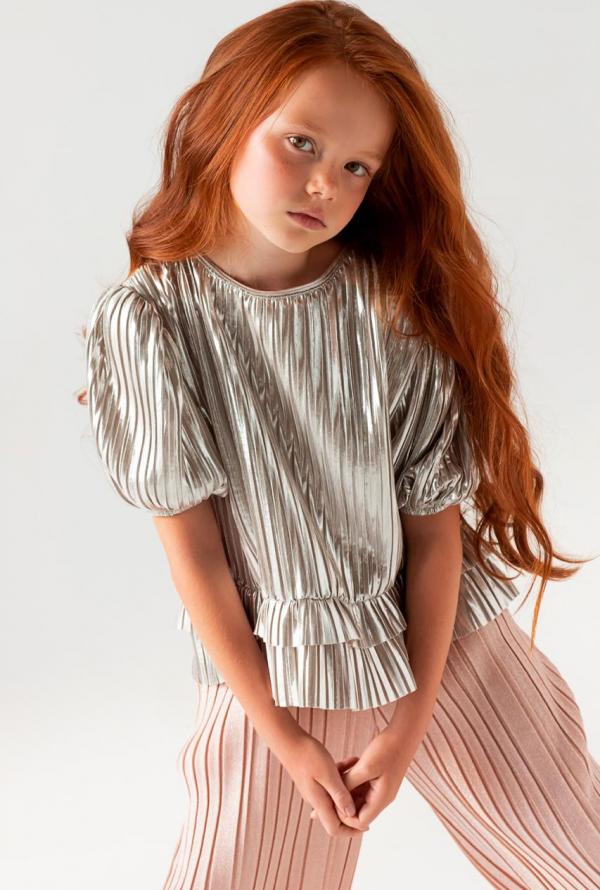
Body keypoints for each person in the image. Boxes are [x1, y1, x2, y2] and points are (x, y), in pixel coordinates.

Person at [79, 2, 600, 887]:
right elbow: (196, 555)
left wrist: (409, 720)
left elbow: (433, 532)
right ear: (226, 118)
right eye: (302, 144)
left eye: (357, 166)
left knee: (576, 853)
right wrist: (282, 736)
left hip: (449, 644)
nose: (325, 184)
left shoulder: (389, 306)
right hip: (276, 672)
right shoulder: (150, 321)